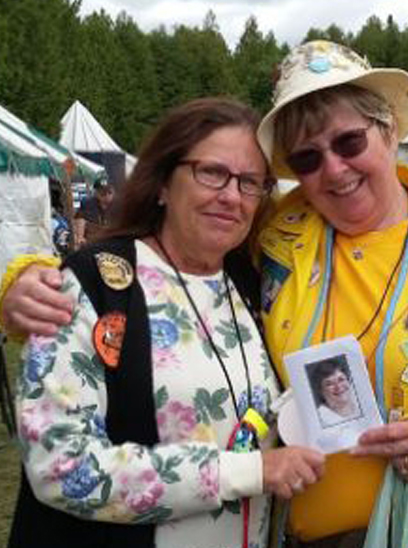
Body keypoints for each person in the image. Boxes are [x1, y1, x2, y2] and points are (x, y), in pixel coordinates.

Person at [2, 40, 408, 548]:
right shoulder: (278, 240)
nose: (333, 169)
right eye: (306, 159)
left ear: (388, 133)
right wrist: (24, 279)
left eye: (349, 141)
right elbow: (166, 254)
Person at [3, 97, 325, 548]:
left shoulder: (250, 286)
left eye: (250, 182)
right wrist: (249, 472)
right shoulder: (93, 283)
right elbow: (60, 467)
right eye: (212, 172)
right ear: (161, 184)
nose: (232, 195)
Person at [309, 359, 360, 427]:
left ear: (348, 381)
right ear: (321, 391)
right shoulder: (321, 418)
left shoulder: (360, 399)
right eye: (329, 384)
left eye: (341, 379)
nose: (338, 386)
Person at [73, 177, 115, 248]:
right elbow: (80, 219)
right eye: (103, 193)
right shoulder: (88, 204)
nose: (107, 196)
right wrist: (80, 237)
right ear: (96, 193)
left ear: (114, 192)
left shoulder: (118, 205)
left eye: (109, 193)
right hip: (92, 242)